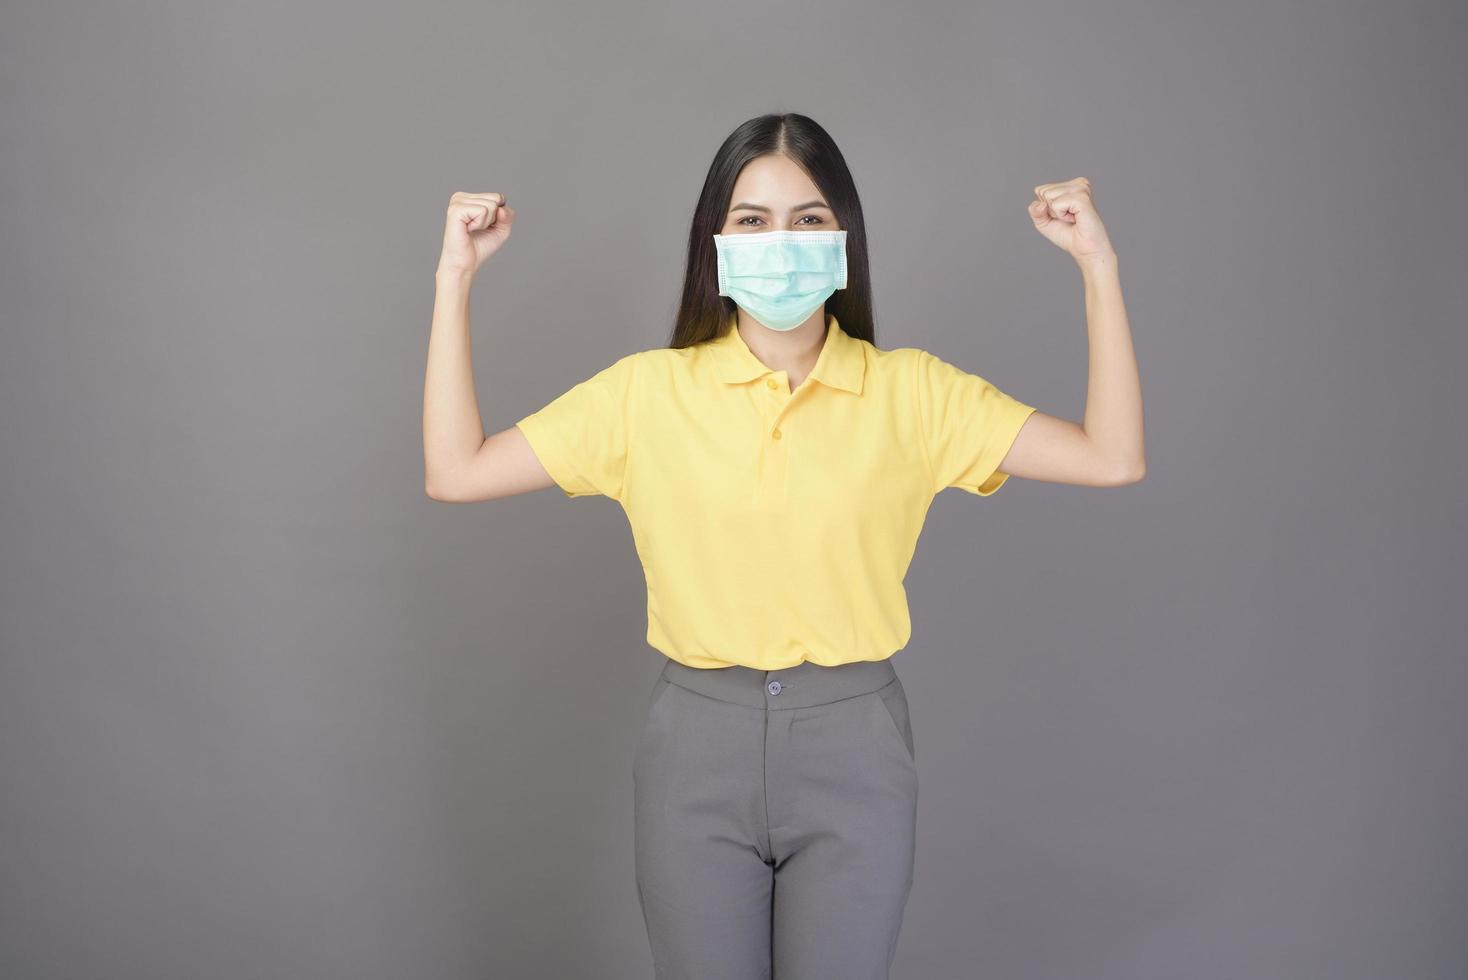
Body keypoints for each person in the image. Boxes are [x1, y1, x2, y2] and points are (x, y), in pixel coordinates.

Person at [422, 112, 1144, 979]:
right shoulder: (645, 396)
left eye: (807, 218)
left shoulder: (912, 393)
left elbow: (1111, 456)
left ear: (844, 234)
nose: (780, 241)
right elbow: (455, 471)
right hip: (696, 742)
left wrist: (1098, 267)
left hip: (856, 742)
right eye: (752, 220)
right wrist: (453, 279)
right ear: (716, 242)